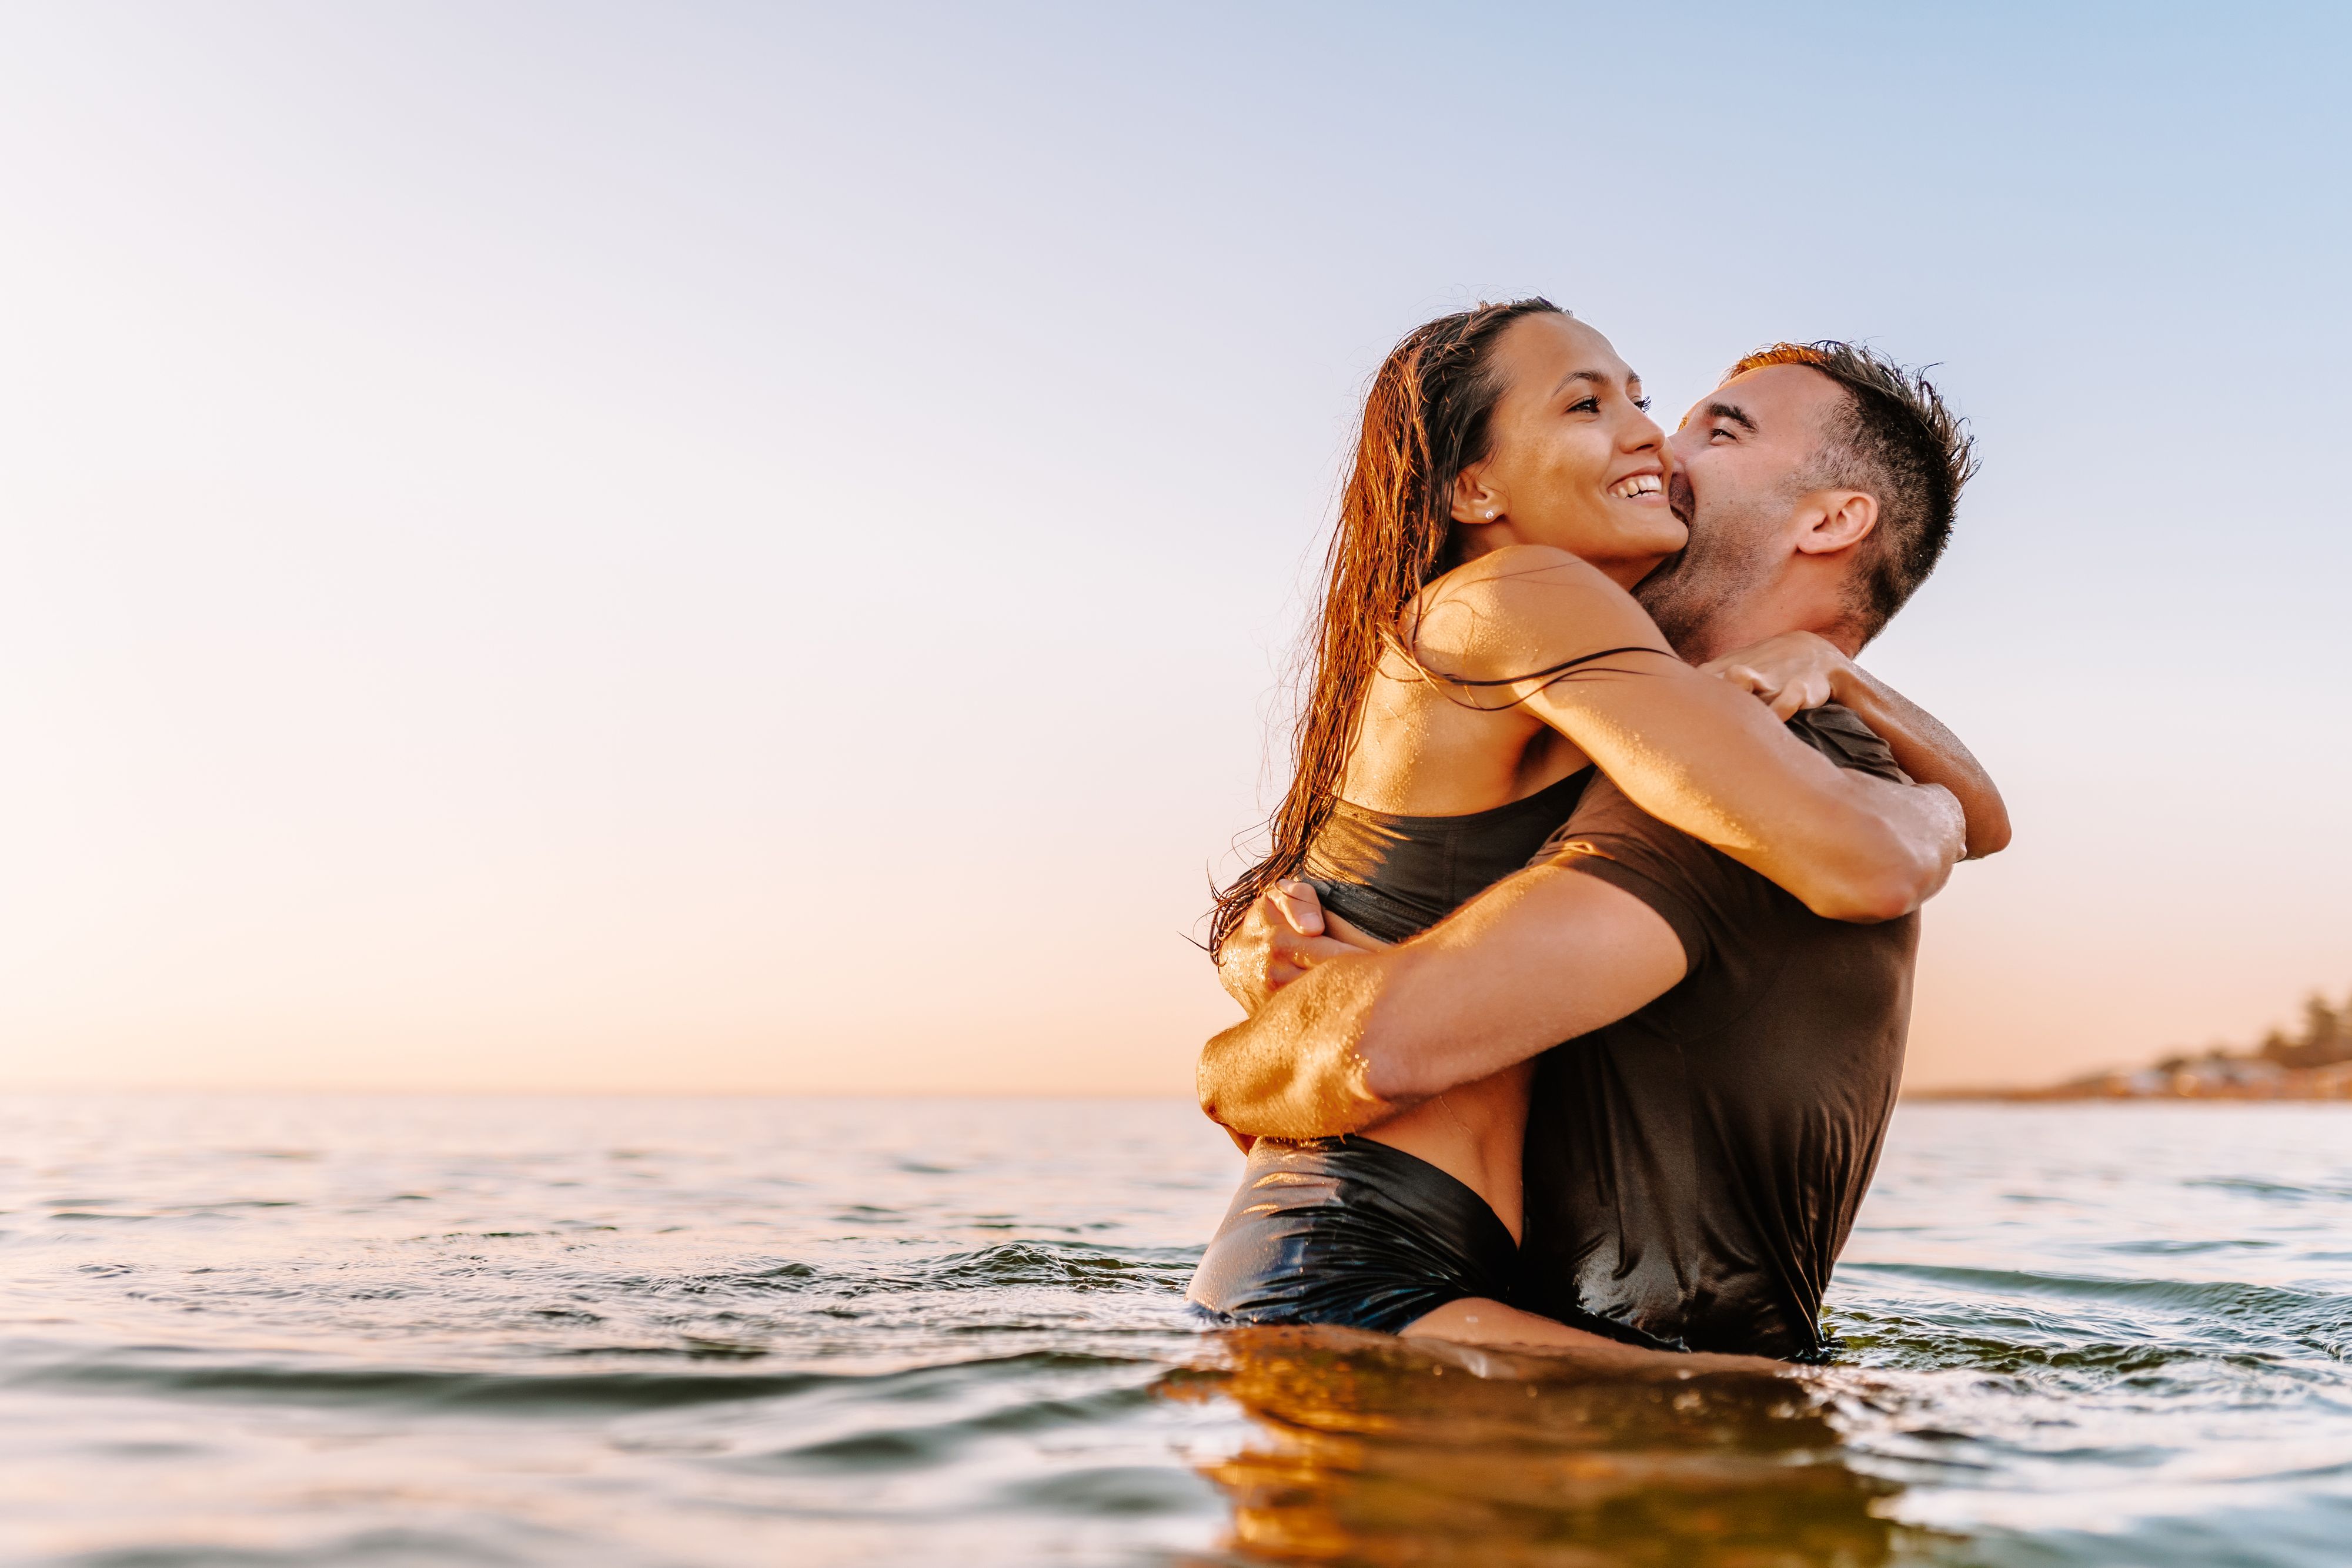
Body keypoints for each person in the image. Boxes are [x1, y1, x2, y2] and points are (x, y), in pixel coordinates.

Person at [1187, 302, 2004, 1353]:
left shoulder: (1715, 739)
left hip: (1360, 1279)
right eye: (1588, 404)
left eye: (1715, 428)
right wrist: (1247, 1057)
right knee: (1801, 1412)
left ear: (1830, 523)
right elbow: (1885, 854)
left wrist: (1851, 685)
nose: (1655, 441)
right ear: (1473, 487)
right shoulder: (1539, 611)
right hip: (1361, 1289)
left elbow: (1931, 835)